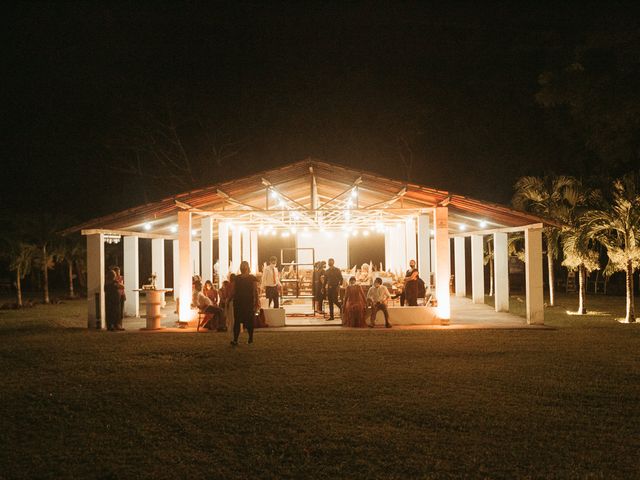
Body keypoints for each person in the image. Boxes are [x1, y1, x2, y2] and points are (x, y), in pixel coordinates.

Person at [231, 261, 260, 346]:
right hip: (239, 302)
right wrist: (229, 299)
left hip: (248, 302)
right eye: (242, 266)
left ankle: (250, 338)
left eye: (244, 266)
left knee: (249, 321)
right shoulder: (237, 278)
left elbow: (255, 290)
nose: (243, 267)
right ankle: (235, 339)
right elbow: (233, 290)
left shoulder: (251, 278)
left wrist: (256, 301)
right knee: (237, 321)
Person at [111, 266, 126, 330]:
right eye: (117, 272)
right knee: (117, 310)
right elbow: (120, 286)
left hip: (121, 295)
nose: (118, 273)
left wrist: (124, 294)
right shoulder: (113, 279)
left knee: (121, 311)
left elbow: (123, 287)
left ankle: (120, 324)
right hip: (116, 296)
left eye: (119, 271)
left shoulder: (121, 278)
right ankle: (116, 324)